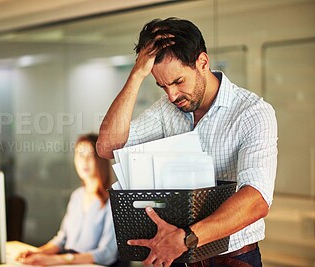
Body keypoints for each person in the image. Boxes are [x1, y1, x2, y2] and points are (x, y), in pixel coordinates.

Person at [97, 17, 277, 267]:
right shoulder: (166, 110)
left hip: (231, 259)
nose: (172, 95)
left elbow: (256, 199)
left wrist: (187, 238)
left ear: (202, 62)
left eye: (178, 81)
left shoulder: (252, 112)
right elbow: (107, 147)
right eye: (162, 86)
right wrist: (137, 75)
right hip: (177, 255)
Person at [17, 134, 118, 266]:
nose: (84, 161)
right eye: (80, 155)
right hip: (68, 263)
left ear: (101, 159)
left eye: (90, 155)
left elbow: (106, 254)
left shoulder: (113, 201)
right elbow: (62, 239)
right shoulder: (77, 196)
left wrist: (59, 259)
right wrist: (39, 252)